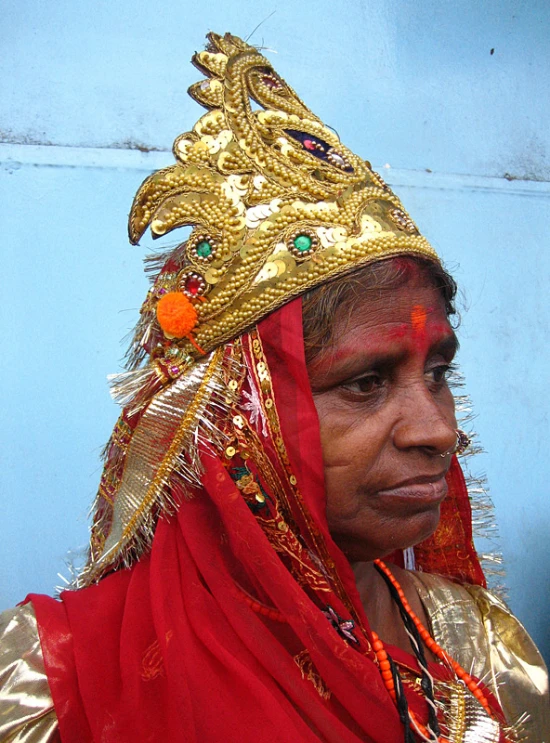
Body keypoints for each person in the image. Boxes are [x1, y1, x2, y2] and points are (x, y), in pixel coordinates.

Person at [0, 32, 547, 743]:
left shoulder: (474, 645)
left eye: (438, 374)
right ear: (238, 419)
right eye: (366, 383)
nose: (438, 429)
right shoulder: (54, 676)